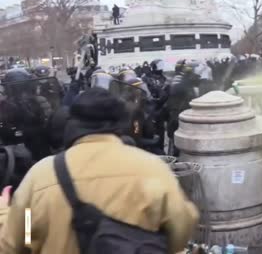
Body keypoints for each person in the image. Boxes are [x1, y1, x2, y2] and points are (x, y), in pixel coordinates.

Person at [0, 88, 199, 254]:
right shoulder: (152, 169)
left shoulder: (40, 175)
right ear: (120, 124)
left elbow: (18, 241)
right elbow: (180, 232)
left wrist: (5, 213)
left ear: (72, 124)